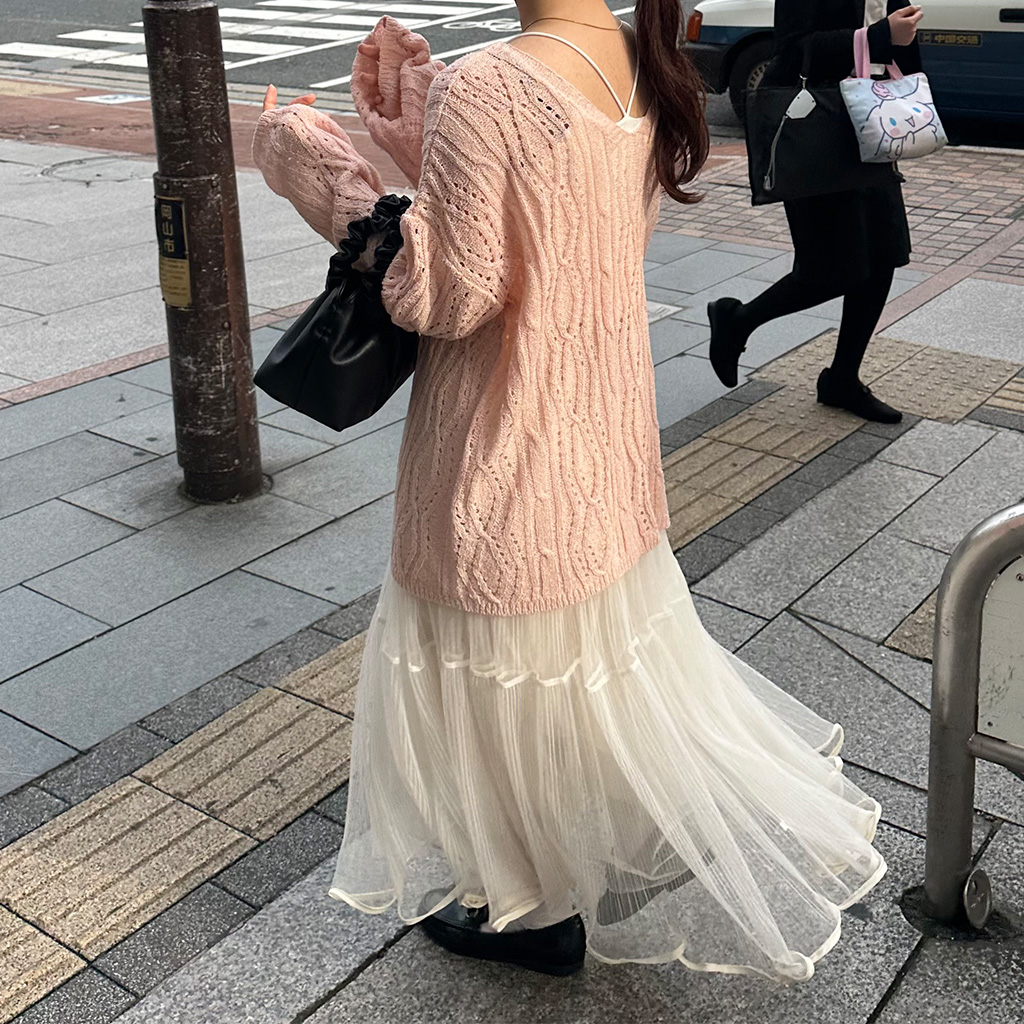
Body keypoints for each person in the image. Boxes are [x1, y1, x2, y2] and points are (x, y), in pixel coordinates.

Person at [252, 0, 886, 982]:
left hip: (502, 444)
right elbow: (545, 219)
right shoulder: (640, 56)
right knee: (582, 664)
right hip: (602, 442)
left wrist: (317, 166)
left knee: (495, 681)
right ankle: (609, 849)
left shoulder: (492, 80)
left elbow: (442, 295)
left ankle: (530, 910)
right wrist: (424, 138)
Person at [708, 0, 924, 424]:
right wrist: (878, 36)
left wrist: (903, 53)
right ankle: (737, 320)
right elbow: (793, 51)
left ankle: (842, 378)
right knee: (831, 269)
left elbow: (897, 43)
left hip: (870, 121)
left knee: (884, 255)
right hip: (816, 128)